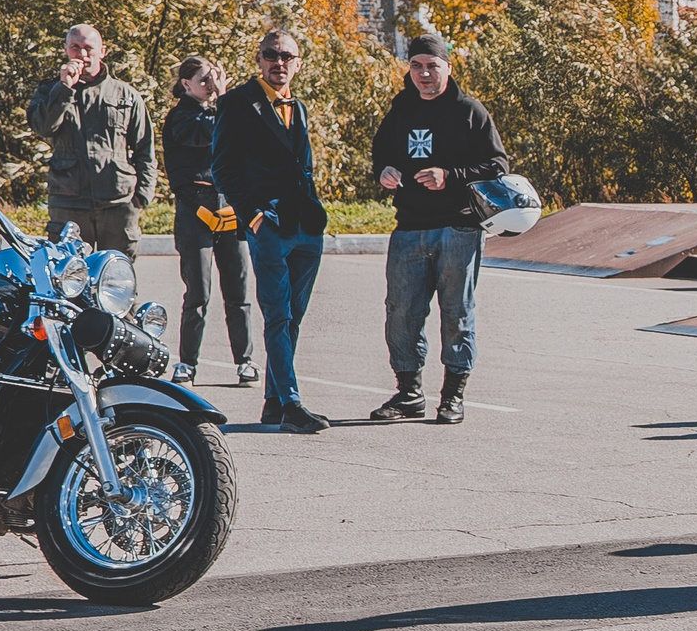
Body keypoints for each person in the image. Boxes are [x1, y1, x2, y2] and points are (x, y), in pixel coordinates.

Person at [366, 36, 508, 425]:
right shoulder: (400, 110)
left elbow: (498, 167)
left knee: (455, 313)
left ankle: (452, 395)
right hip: (410, 226)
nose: (424, 74)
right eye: (416, 66)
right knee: (401, 312)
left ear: (448, 67)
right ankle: (409, 393)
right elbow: (380, 153)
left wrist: (451, 177)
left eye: (432, 66)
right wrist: (385, 171)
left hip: (458, 227)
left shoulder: (469, 111)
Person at [213, 29, 331, 435]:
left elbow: (304, 168)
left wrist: (316, 214)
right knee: (278, 316)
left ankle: (273, 402)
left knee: (293, 318)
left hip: (306, 227)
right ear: (259, 60)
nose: (278, 63)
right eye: (270, 55)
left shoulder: (298, 106)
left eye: (286, 57)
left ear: (298, 63)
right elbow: (222, 168)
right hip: (269, 228)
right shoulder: (236, 104)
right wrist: (253, 216)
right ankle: (293, 404)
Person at [158, 58, 259, 387]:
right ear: (186, 84)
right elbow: (209, 133)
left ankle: (245, 360)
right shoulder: (181, 117)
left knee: (238, 292)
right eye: (204, 79)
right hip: (194, 210)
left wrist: (225, 98)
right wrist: (224, 96)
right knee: (198, 293)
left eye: (214, 78)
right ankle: (187, 364)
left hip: (229, 207)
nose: (210, 84)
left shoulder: (221, 111)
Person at [26, 23, 154, 256]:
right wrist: (64, 87)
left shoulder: (126, 95)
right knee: (68, 279)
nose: (82, 55)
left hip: (118, 203)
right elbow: (43, 127)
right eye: (75, 47)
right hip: (69, 204)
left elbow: (145, 148)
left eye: (88, 48)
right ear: (66, 50)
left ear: (102, 51)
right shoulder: (51, 90)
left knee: (116, 281)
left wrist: (141, 197)